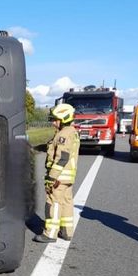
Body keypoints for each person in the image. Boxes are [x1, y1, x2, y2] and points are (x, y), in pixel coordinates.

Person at [36, 103, 80, 242]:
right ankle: (67, 231)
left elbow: (62, 157)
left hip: (59, 177)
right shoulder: (71, 132)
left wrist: (51, 177)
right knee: (66, 202)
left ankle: (50, 233)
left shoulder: (64, 134)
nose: (53, 123)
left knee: (53, 202)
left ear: (63, 119)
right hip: (67, 177)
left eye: (55, 119)